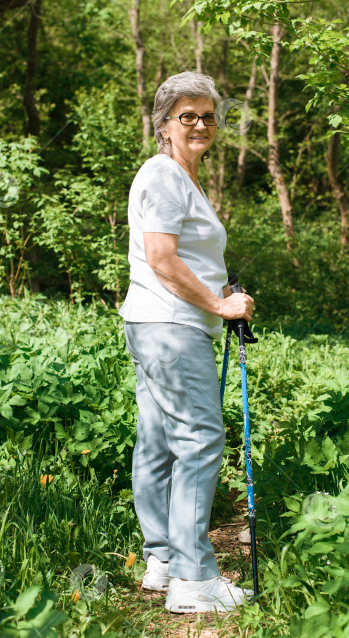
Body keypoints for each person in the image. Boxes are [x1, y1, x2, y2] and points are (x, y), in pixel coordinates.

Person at [119, 71, 255, 613]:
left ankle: (164, 561)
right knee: (199, 439)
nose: (199, 123)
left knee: (158, 440)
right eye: (187, 115)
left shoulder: (182, 176)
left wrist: (219, 288)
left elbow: (185, 256)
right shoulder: (162, 175)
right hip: (173, 325)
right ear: (164, 123)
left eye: (207, 115)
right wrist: (219, 304)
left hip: (160, 322)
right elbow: (161, 257)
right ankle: (194, 580)